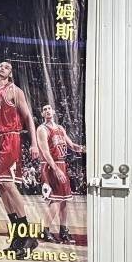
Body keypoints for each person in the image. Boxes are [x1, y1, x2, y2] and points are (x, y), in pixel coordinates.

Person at [0, 61, 45, 257]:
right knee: (1, 187)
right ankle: (17, 236)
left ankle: (27, 235)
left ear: (10, 73)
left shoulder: (15, 91)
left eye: (7, 67)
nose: (2, 67)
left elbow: (29, 118)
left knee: (9, 184)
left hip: (10, 138)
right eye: (0, 65)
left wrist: (34, 144)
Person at [35, 103, 84, 245]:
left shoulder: (61, 128)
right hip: (51, 165)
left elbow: (72, 146)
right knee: (55, 199)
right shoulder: (42, 129)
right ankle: (44, 230)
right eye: (44, 109)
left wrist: (84, 148)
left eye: (49, 108)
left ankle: (63, 230)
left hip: (62, 164)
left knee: (64, 200)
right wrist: (56, 169)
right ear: (42, 114)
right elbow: (45, 152)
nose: (47, 111)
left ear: (54, 111)